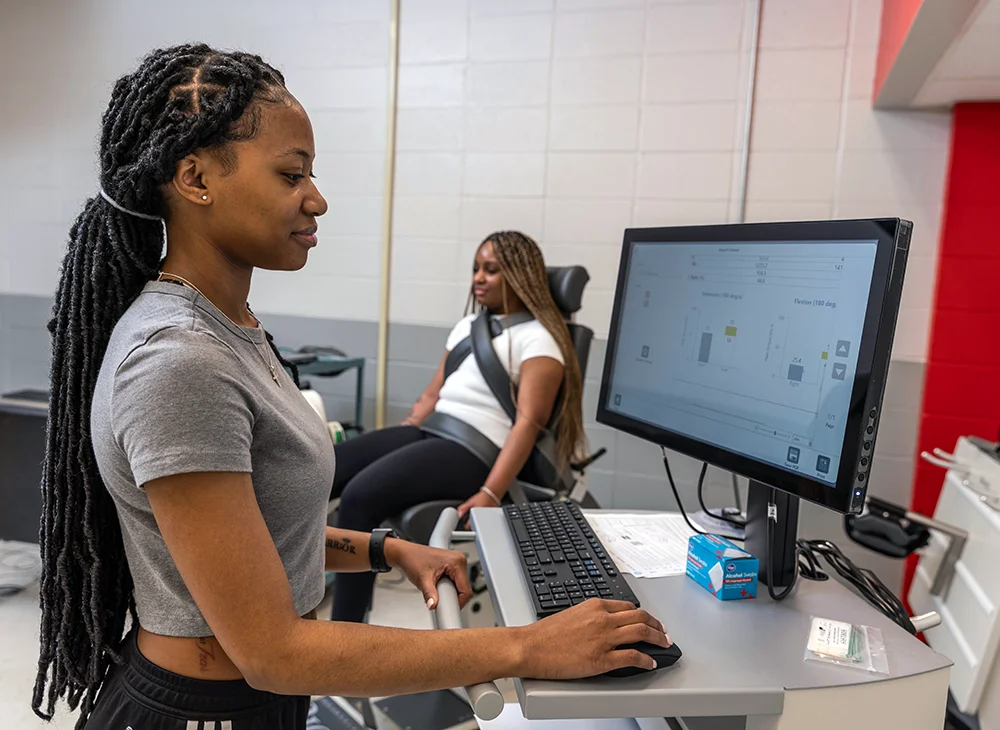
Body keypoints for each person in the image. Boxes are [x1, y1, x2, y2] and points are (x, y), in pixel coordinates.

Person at [33, 45, 670, 730]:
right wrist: (527, 647)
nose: (317, 198)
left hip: (254, 701)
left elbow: (263, 532)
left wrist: (386, 549)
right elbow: (274, 652)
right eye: (290, 174)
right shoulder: (179, 360)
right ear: (194, 178)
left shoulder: (231, 327)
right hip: (203, 711)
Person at [330, 231, 585, 623]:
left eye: (491, 270)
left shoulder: (542, 340)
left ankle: (345, 635)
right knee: (325, 466)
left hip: (475, 450)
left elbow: (527, 424)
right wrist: (400, 436)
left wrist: (489, 492)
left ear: (519, 276)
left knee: (360, 496)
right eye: (475, 269)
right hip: (433, 430)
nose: (478, 278)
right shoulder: (469, 325)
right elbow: (434, 394)